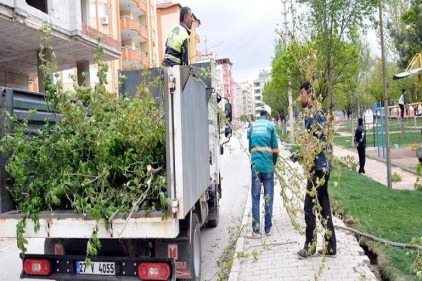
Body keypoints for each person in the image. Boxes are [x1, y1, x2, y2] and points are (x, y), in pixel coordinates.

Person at [296, 81, 337, 259]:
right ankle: (331, 246)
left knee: (309, 208)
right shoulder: (312, 114)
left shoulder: (316, 114)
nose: (300, 97)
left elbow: (321, 141)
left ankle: (310, 247)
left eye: (302, 93)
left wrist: (307, 151)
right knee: (323, 208)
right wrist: (301, 153)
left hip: (319, 168)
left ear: (310, 93)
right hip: (319, 166)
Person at [248, 105, 279, 238]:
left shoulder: (252, 127)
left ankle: (256, 231)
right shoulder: (270, 126)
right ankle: (267, 229)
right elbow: (276, 150)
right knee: (268, 198)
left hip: (256, 167)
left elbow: (250, 148)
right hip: (267, 167)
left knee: (255, 198)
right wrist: (273, 163)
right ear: (268, 115)